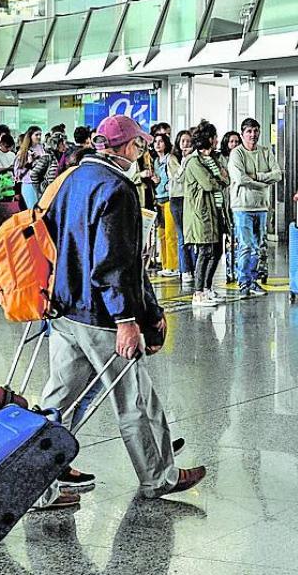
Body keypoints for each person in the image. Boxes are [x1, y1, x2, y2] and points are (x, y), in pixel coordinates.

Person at [34, 115, 206, 511]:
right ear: (125, 147)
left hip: (64, 309)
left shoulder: (71, 179)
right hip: (101, 316)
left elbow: (52, 236)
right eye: (138, 147)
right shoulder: (117, 189)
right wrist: (128, 320)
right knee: (135, 399)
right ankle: (159, 476)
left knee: (58, 403)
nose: (140, 154)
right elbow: (114, 263)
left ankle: (38, 483)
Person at [228, 117, 282, 296]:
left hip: (261, 207)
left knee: (258, 246)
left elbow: (277, 175)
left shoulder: (266, 152)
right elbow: (240, 178)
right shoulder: (237, 154)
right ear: (242, 134)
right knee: (245, 246)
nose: (253, 135)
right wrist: (263, 182)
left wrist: (256, 176)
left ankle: (252, 281)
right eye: (249, 131)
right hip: (242, 207)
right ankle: (244, 282)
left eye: (255, 131)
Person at [183, 125, 228, 307]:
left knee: (217, 251)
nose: (217, 140)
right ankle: (198, 292)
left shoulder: (213, 158)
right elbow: (209, 183)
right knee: (205, 252)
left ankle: (207, 288)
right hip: (201, 212)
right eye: (214, 136)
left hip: (216, 210)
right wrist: (220, 180)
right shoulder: (194, 162)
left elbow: (227, 179)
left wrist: (221, 180)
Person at [152, 133, 179, 278]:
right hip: (158, 199)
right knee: (161, 234)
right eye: (155, 141)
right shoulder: (155, 161)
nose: (157, 144)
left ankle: (173, 265)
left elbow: (177, 176)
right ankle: (165, 264)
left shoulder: (171, 158)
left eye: (161, 141)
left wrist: (169, 184)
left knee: (170, 233)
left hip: (169, 199)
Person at [171, 130, 194, 287]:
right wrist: (186, 159)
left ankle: (193, 268)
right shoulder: (173, 158)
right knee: (182, 236)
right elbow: (179, 177)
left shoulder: (194, 158)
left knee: (191, 235)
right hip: (178, 199)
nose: (186, 144)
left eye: (188, 141)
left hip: (190, 199)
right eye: (183, 141)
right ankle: (185, 269)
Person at [16, 126, 44, 208]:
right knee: (33, 209)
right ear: (30, 136)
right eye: (36, 135)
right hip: (29, 183)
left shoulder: (41, 148)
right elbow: (18, 173)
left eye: (40, 135)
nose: (39, 137)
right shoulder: (23, 151)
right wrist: (29, 163)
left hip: (40, 183)